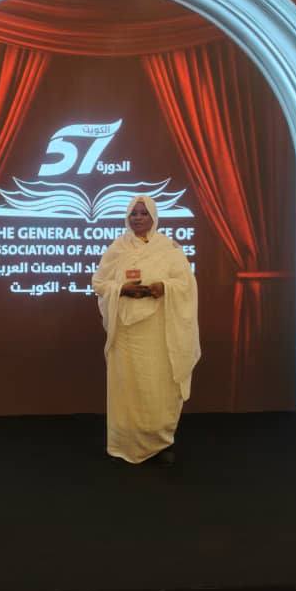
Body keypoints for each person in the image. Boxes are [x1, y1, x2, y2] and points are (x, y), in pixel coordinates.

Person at [91, 195, 200, 465]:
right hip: (126, 333)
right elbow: (99, 283)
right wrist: (122, 289)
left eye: (143, 213)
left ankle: (160, 443)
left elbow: (185, 284)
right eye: (134, 213)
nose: (138, 218)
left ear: (153, 217)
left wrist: (164, 287)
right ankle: (124, 443)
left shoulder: (169, 248)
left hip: (158, 332)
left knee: (158, 386)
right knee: (126, 389)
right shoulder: (117, 247)